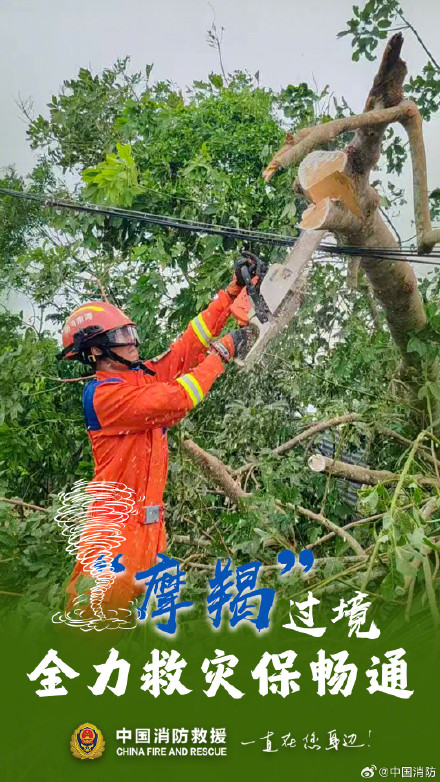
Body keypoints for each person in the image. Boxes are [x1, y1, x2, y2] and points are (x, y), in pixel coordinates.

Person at [59, 259, 255, 617]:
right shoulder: (106, 397)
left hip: (149, 533)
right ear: (95, 352)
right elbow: (178, 399)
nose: (132, 343)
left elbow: (186, 348)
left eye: (130, 333)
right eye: (121, 338)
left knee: (138, 641)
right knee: (91, 638)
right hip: (114, 539)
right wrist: (224, 351)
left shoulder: (139, 378)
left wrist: (230, 295)